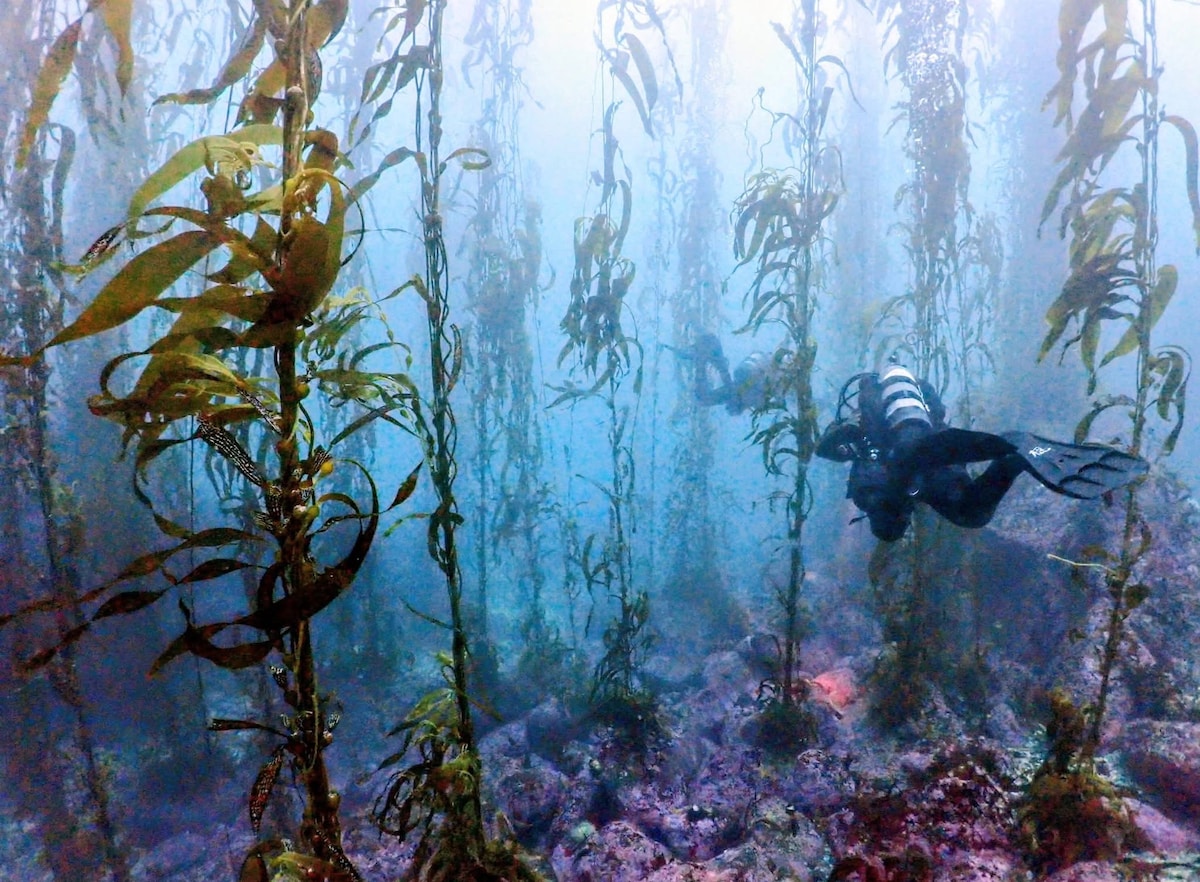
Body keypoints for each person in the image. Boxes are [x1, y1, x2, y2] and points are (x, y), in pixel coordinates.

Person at [689, 333, 1149, 541]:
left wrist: (850, 443)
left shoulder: (875, 485)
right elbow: (834, 446)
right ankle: (1015, 452)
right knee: (969, 514)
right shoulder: (896, 491)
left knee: (911, 455)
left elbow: (832, 446)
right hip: (930, 445)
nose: (898, 522)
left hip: (919, 443)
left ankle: (1007, 444)